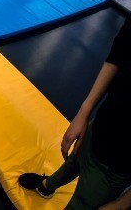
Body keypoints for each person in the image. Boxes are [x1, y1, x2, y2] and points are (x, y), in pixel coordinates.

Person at [19, 15, 131, 209]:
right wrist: (84, 113)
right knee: (73, 161)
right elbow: (117, 57)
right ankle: (46, 186)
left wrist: (122, 204)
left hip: (118, 163)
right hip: (102, 124)